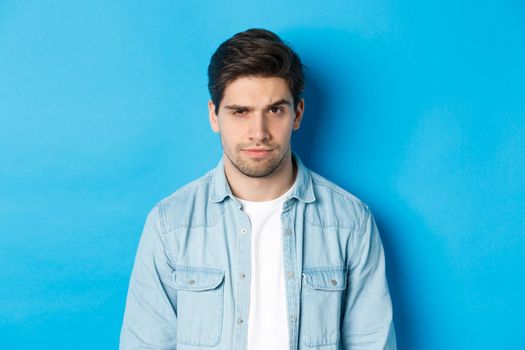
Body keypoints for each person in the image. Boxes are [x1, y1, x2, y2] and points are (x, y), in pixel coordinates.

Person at [120, 28, 396, 350]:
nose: (259, 132)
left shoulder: (350, 223)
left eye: (275, 110)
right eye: (240, 112)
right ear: (214, 116)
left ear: (298, 114)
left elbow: (372, 343)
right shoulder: (171, 224)